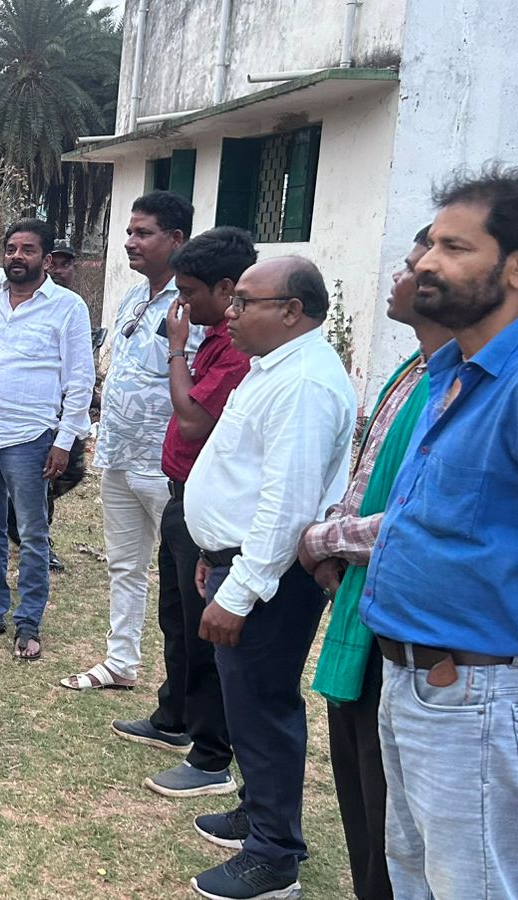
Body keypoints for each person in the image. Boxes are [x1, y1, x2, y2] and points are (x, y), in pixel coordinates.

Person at [363, 164, 518, 898]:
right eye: (430, 244)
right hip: (412, 678)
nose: (427, 262)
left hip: (477, 693)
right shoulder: (451, 373)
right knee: (413, 878)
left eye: (454, 248)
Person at [182, 256, 355, 900]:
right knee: (247, 701)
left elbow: (288, 503)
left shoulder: (303, 383)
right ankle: (258, 811)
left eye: (245, 302)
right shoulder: (273, 368)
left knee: (263, 706)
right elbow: (245, 476)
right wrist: (214, 548)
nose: (230, 312)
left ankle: (274, 856)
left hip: (271, 575)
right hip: (240, 558)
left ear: (290, 311)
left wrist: (240, 589)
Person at [290, 227, 441, 900]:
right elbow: (365, 478)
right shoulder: (412, 369)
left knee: (393, 810)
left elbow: (420, 516)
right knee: (359, 786)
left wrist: (325, 540)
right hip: (363, 596)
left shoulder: (460, 386)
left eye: (413, 266)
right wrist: (335, 540)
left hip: (413, 624)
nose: (399, 277)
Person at [109, 227, 255, 800]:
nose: (183, 304)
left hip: (204, 501)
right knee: (177, 617)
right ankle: (174, 716)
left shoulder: (232, 350)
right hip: (181, 495)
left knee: (205, 631)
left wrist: (175, 348)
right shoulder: (215, 338)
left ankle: (211, 755)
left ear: (226, 289)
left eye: (190, 292)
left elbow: (193, 420)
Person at [64, 191, 198, 692]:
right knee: (125, 566)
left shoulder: (193, 304)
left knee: (184, 577)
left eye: (143, 233)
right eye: (129, 232)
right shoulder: (132, 296)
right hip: (119, 454)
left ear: (176, 238)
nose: (129, 242)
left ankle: (189, 688)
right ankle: (121, 661)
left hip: (167, 465)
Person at [0, 219, 94, 661]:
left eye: (27, 249)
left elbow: (80, 379)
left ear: (45, 258)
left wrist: (65, 440)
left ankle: (28, 622)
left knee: (31, 532)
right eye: (11, 248)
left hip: (30, 436)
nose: (17, 256)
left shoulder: (67, 307)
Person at [8, 238, 90, 575]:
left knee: (67, 473)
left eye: (65, 264)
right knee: (38, 479)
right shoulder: (18, 302)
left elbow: (80, 371)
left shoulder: (73, 307)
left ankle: (24, 525)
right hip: (30, 415)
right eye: (54, 263)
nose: (59, 270)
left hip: (65, 414)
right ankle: (35, 540)